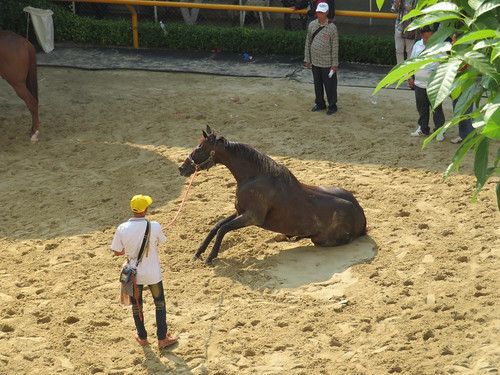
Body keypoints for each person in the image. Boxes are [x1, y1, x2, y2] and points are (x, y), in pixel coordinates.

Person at [111, 194, 178, 348]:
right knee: (159, 303)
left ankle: (142, 337)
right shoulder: (154, 226)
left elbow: (117, 252)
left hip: (134, 274)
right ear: (145, 209)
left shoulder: (122, 228)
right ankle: (162, 338)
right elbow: (162, 240)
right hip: (152, 272)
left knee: (137, 306)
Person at [408, 24, 445, 141]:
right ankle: (423, 128)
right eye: (426, 38)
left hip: (434, 84)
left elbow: (444, 62)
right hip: (419, 83)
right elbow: (411, 62)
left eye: (431, 37)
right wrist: (410, 77)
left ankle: (439, 131)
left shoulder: (439, 46)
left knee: (437, 108)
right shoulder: (417, 46)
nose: (428, 40)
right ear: (421, 36)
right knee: (422, 108)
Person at [304, 2, 338, 115]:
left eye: (322, 12)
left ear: (327, 13)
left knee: (330, 86)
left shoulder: (332, 28)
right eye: (318, 12)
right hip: (315, 61)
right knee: (317, 84)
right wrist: (307, 59)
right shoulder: (312, 25)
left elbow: (335, 47)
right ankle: (320, 103)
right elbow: (308, 43)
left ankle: (332, 105)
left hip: (327, 62)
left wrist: (334, 64)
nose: (320, 14)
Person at [450, 32, 474, 144]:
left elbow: (461, 70)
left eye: (453, 40)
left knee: (466, 113)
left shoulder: (465, 53)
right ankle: (462, 135)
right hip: (456, 86)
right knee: (458, 111)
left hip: (465, 85)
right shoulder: (455, 53)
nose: (451, 42)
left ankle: (469, 138)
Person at [391, 0, 418, 64]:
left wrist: (410, 10)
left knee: (409, 51)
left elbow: (420, 13)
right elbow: (393, 9)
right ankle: (400, 70)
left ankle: (408, 71)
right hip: (399, 25)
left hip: (411, 26)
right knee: (398, 50)